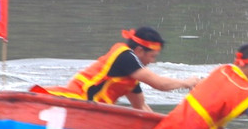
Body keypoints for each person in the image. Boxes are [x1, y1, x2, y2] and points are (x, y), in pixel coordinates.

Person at [32, 27, 197, 111]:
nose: (151, 62)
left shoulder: (131, 77)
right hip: (72, 102)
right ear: (139, 51)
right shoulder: (125, 55)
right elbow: (159, 84)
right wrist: (187, 82)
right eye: (152, 57)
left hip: (90, 110)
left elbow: (141, 108)